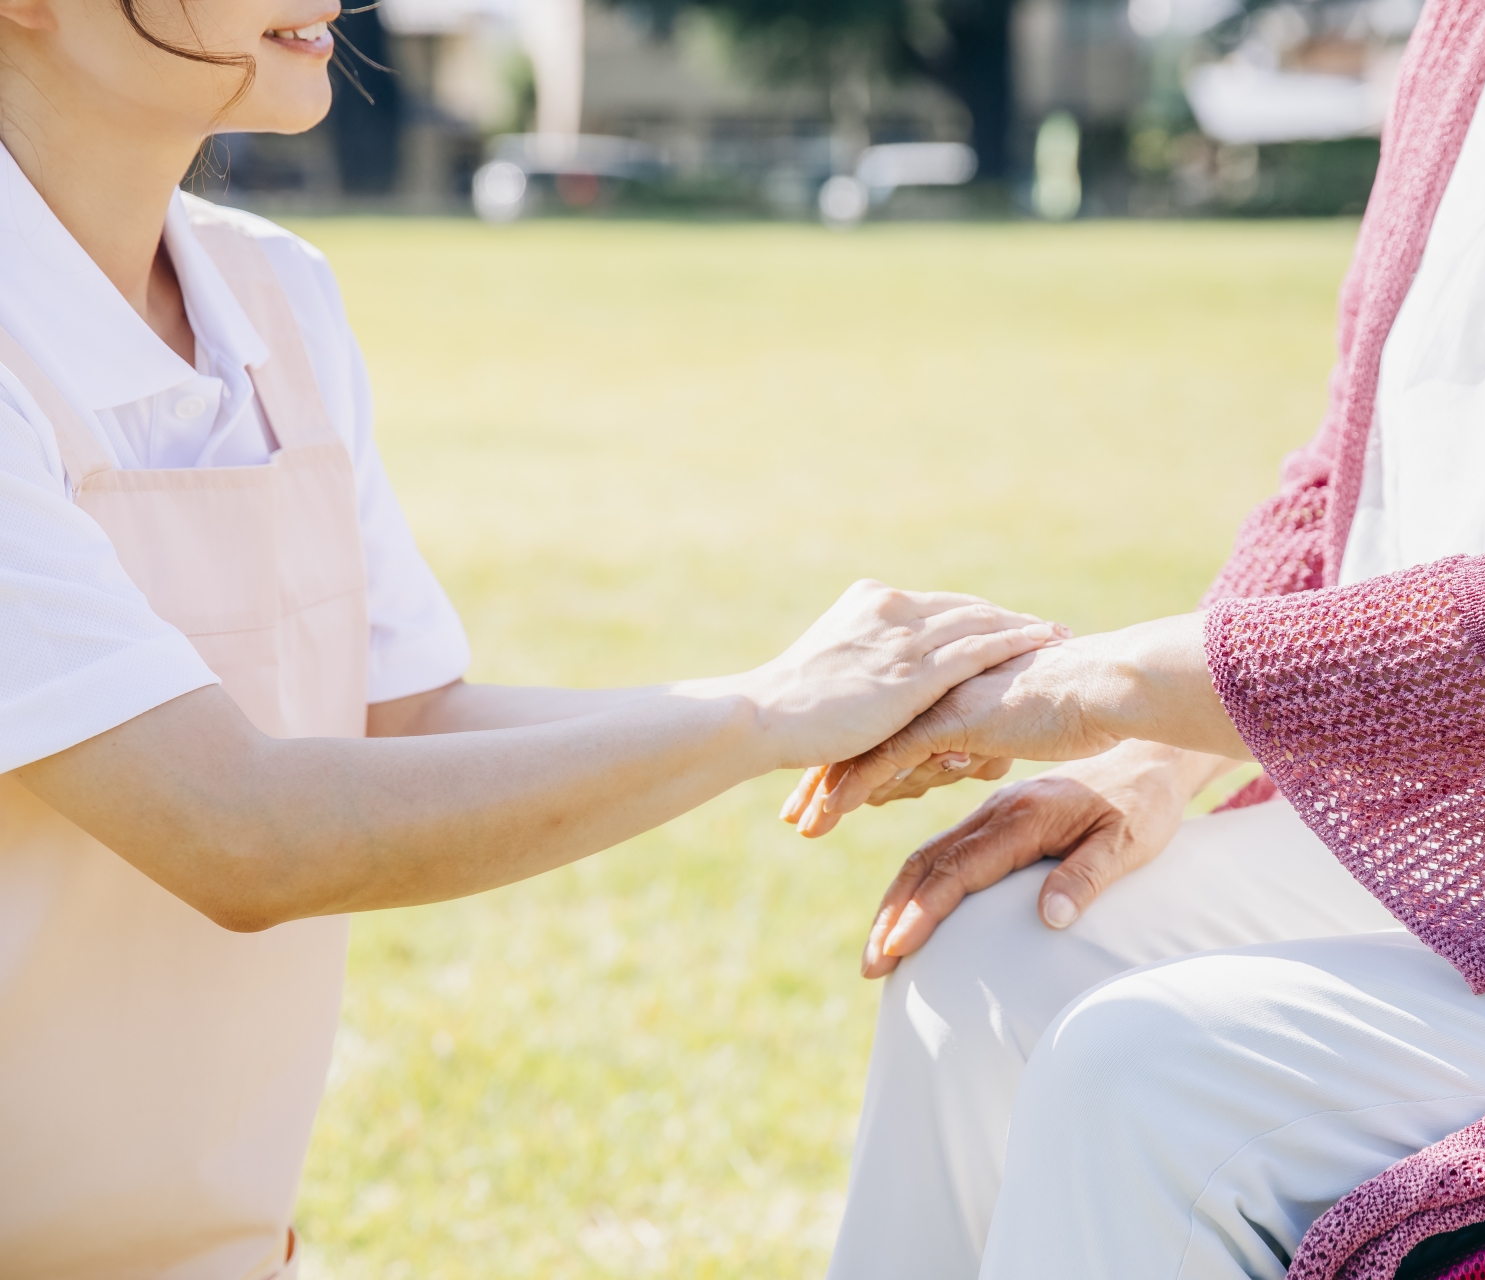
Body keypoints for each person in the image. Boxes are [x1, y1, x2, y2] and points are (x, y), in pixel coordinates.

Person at [789, 0, 1485, 1276]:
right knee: (986, 959)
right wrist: (1154, 763)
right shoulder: (1480, 29)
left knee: (1144, 1079)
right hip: (1439, 831)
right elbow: (1346, 469)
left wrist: (1103, 687)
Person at [0, 3, 1069, 1275]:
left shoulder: (272, 295)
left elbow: (401, 721)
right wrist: (763, 715)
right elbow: (237, 826)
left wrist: (791, 699)